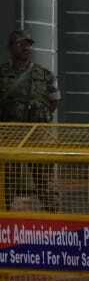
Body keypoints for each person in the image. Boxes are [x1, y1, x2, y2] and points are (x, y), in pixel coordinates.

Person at [0, 29, 61, 211]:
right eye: (21, 44)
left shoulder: (45, 74)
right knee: (8, 178)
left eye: (28, 44)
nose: (26, 48)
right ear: (11, 47)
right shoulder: (2, 74)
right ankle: (5, 215)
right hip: (9, 136)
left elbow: (54, 101)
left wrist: (37, 118)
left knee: (43, 178)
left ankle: (51, 216)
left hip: (37, 135)